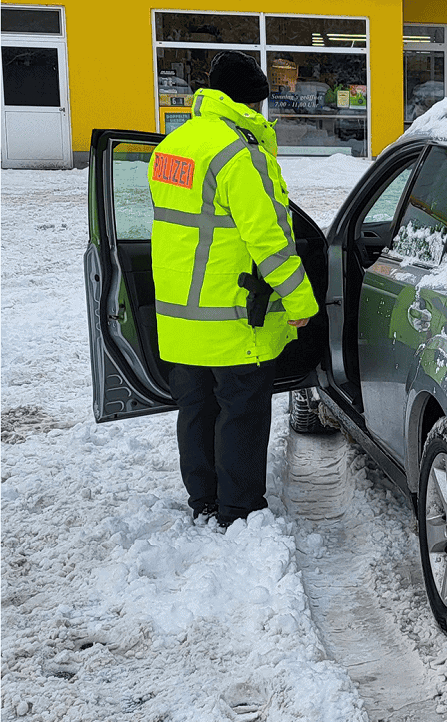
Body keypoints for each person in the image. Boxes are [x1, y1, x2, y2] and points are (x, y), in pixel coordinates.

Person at [147, 50, 318, 528]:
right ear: (248, 102)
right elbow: (269, 239)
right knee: (241, 413)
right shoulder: (238, 154)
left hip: (180, 318)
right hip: (234, 318)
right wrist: (300, 302)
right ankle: (239, 509)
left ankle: (203, 499)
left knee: (196, 411)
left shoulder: (173, 147)